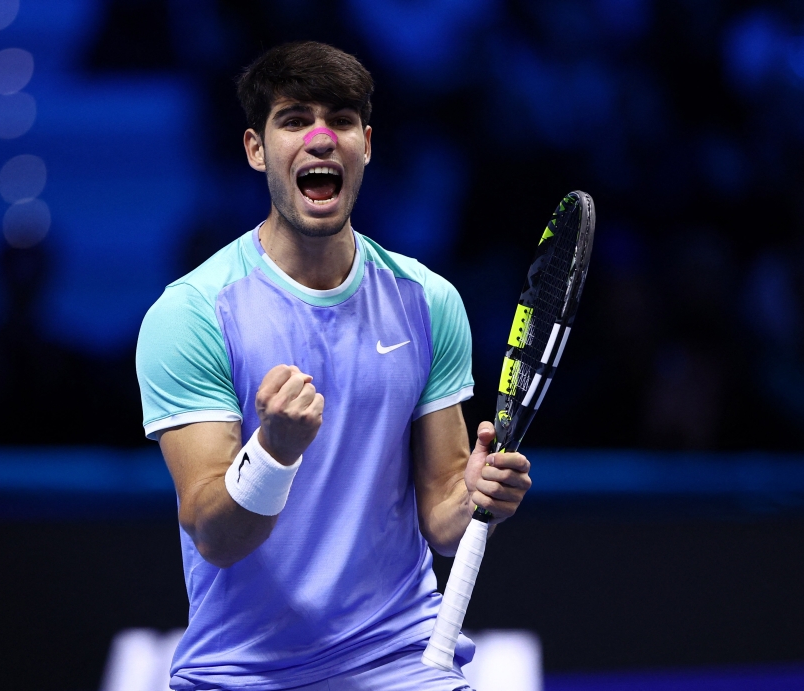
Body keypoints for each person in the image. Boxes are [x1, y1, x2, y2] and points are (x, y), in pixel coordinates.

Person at [136, 41, 532, 691]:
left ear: (366, 144)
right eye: (294, 119)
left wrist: (480, 493)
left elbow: (442, 520)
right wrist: (274, 451)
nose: (321, 138)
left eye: (341, 119)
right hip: (242, 673)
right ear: (256, 149)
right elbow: (215, 533)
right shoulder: (193, 314)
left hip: (401, 663)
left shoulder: (428, 302)